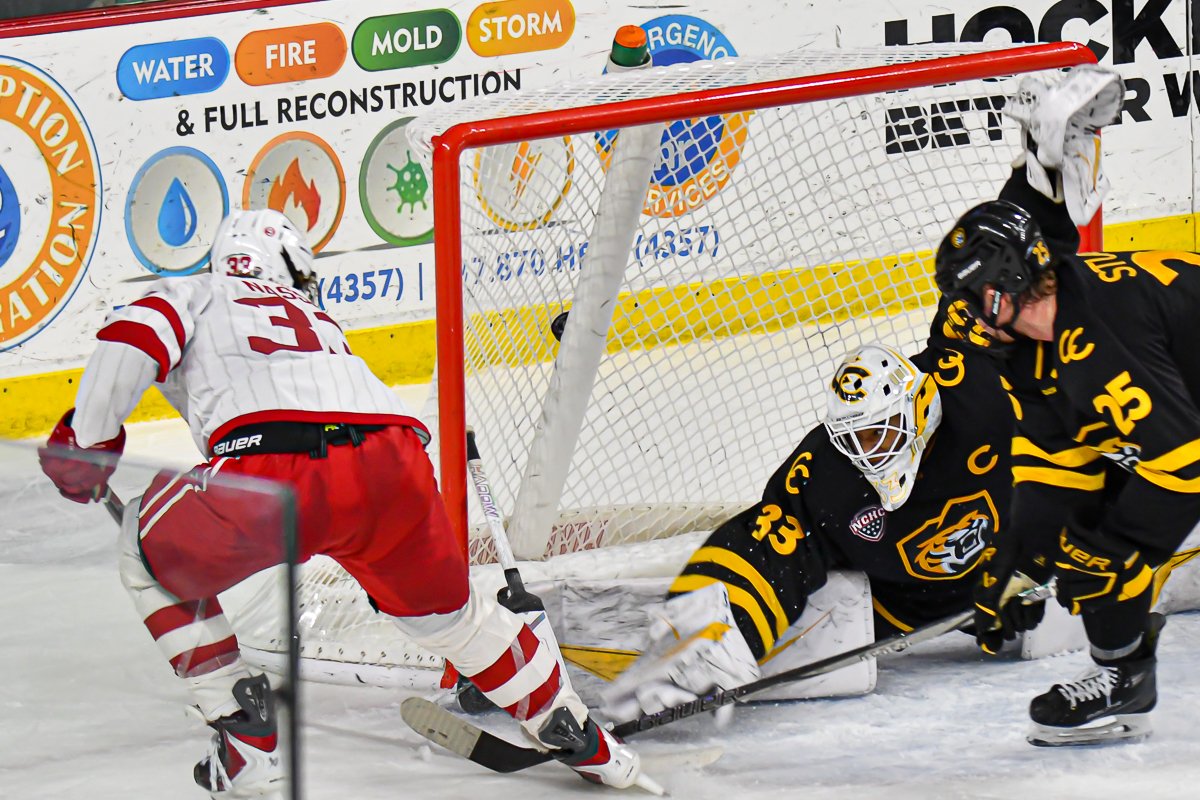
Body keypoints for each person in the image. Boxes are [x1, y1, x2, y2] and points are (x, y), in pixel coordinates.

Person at [37, 209, 656, 796]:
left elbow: (131, 342)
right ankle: (585, 738)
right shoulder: (320, 324)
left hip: (273, 471)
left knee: (144, 554)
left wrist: (90, 444)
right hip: (398, 467)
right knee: (451, 619)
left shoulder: (197, 290)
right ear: (286, 265)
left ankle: (244, 739)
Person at [934, 64, 1195, 746]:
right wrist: (1019, 561)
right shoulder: (1030, 339)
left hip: (1185, 425)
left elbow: (1187, 466)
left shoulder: (1096, 340)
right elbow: (1056, 459)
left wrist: (1114, 550)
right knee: (1086, 533)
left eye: (975, 302)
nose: (964, 318)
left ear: (1012, 286)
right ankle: (1124, 680)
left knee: (1104, 546)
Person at [601, 331, 1025, 720]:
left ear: (916, 409)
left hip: (1015, 571)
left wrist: (1051, 554)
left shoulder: (981, 401)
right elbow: (770, 543)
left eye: (879, 433)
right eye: (855, 438)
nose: (869, 454)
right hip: (901, 608)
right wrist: (712, 631)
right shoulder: (827, 475)